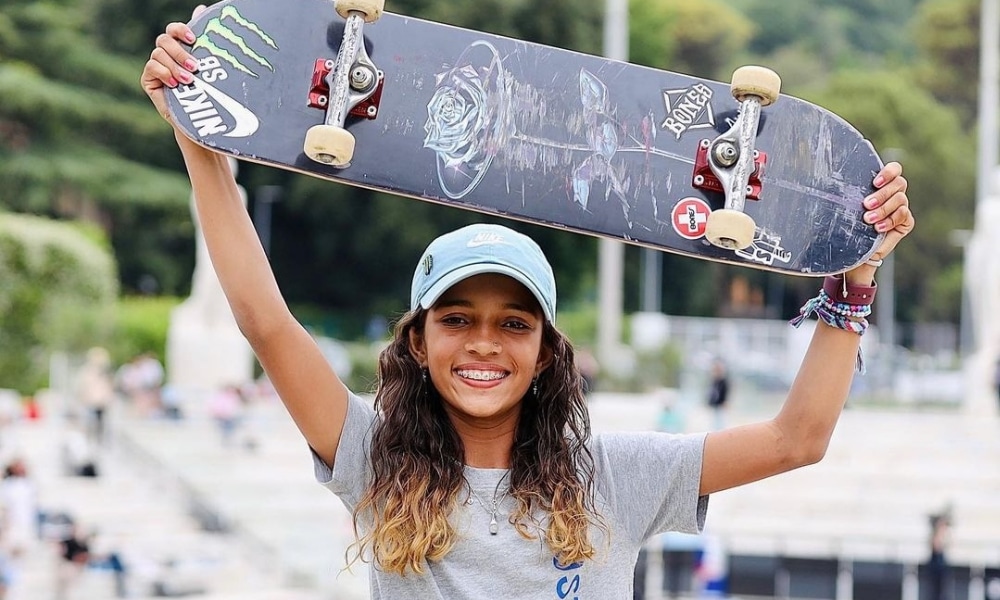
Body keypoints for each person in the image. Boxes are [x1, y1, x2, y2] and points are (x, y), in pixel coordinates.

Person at [142, 18, 913, 597]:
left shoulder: (613, 478)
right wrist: (197, 134)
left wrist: (855, 277)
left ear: (546, 349)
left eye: (513, 324)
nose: (484, 344)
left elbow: (795, 439)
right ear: (417, 342)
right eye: (456, 319)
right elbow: (263, 320)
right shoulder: (372, 459)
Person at [706, 359, 729, 431]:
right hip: (714, 405)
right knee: (714, 424)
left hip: (720, 405)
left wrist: (725, 401)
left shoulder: (723, 381)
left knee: (720, 423)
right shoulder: (714, 381)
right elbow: (712, 393)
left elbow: (725, 393)